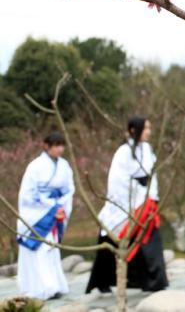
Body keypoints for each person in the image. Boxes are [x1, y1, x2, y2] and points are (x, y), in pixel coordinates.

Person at [87, 117, 168, 294]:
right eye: (145, 128)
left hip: (145, 201)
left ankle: (155, 281)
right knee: (109, 243)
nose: (149, 131)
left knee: (150, 239)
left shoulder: (147, 149)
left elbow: (151, 176)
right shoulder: (123, 152)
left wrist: (150, 197)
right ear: (133, 130)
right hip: (127, 201)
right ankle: (103, 281)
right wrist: (137, 198)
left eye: (149, 128)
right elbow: (118, 180)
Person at [17, 132, 74, 301]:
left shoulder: (64, 166)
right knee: (39, 249)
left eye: (61, 145)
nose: (59, 149)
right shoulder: (35, 166)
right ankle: (40, 288)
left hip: (56, 211)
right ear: (46, 146)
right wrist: (51, 206)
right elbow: (28, 194)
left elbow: (69, 190)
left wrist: (61, 205)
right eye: (56, 145)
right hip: (38, 214)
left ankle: (55, 285)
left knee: (51, 249)